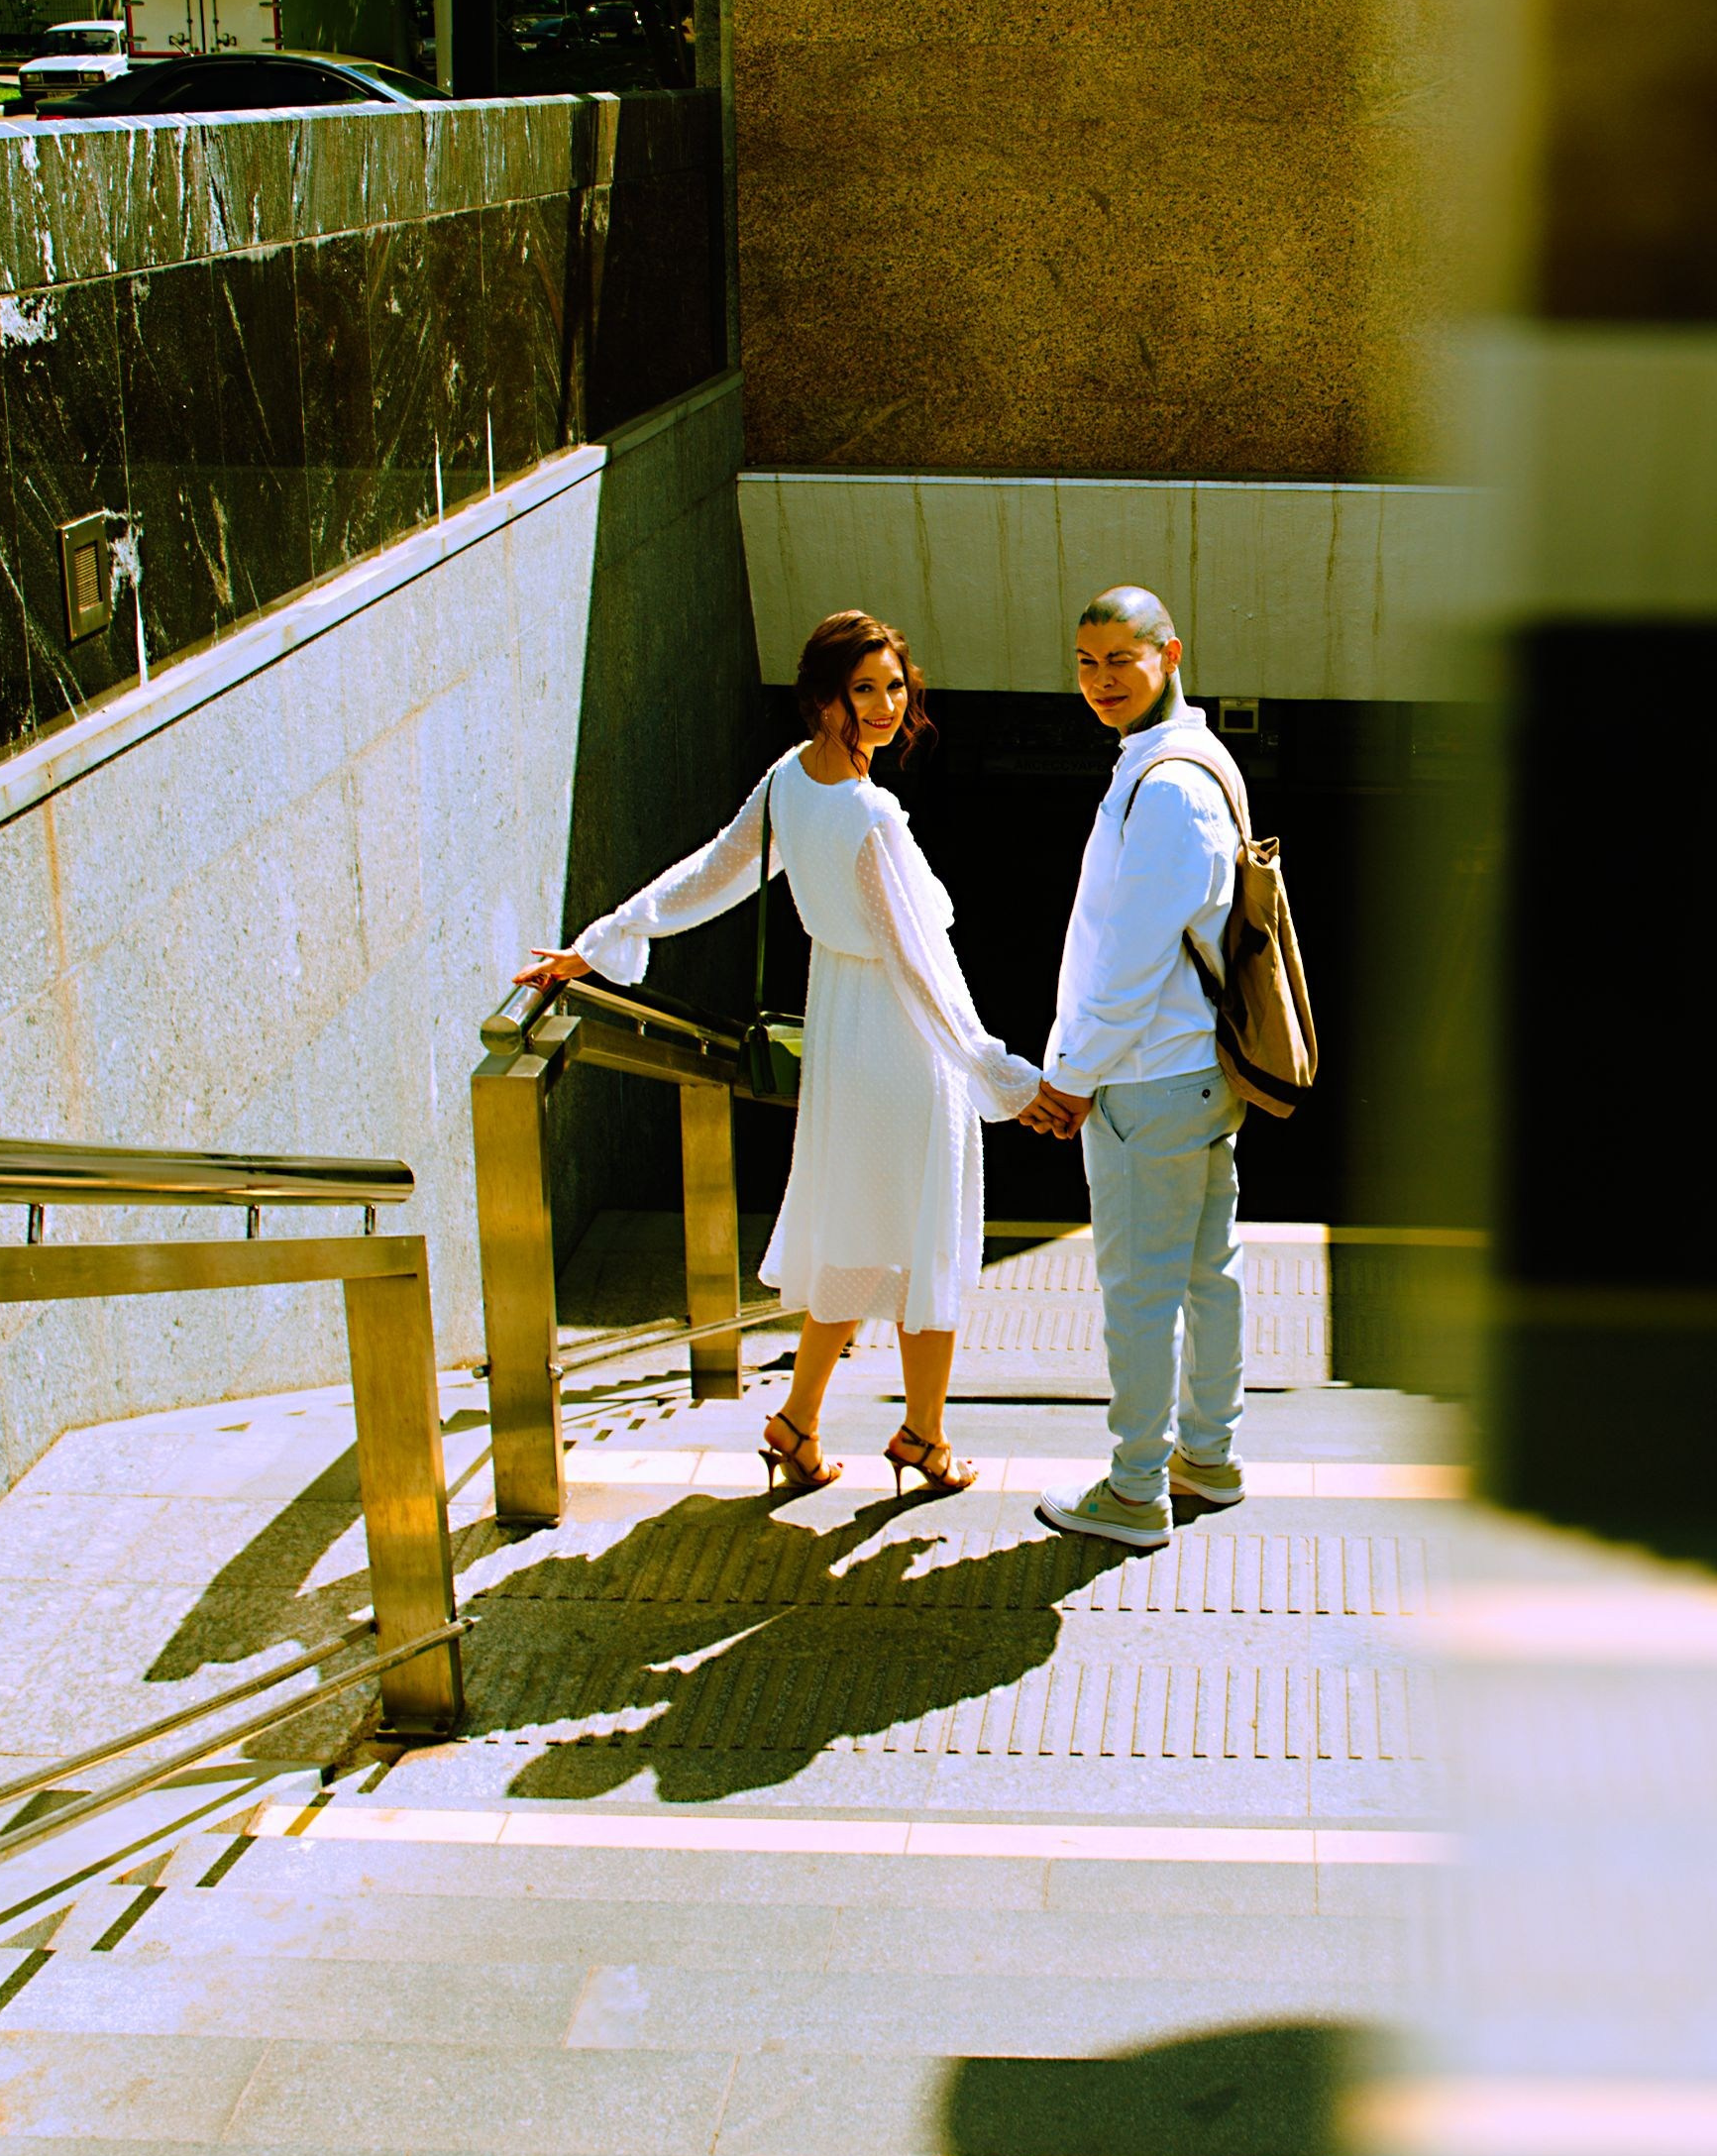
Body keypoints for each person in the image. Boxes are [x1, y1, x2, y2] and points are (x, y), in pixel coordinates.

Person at [514, 611, 1039, 1496]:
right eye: (863, 688)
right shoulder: (868, 812)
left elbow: (712, 873)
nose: (883, 705)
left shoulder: (791, 780)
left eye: (894, 686)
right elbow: (920, 965)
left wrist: (601, 941)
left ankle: (798, 1420)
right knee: (924, 1240)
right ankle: (923, 1437)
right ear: (825, 695)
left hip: (842, 1032)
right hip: (902, 1044)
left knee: (859, 1233)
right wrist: (1001, 1075)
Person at [1018, 587, 1249, 1554]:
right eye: (1084, 662)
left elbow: (1128, 963)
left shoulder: (1165, 789)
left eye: (1121, 659)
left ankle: (1134, 1489)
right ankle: (1209, 1456)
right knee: (1206, 1273)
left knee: (1141, 1293)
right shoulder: (1193, 762)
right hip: (1198, 1071)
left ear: (1169, 652)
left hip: (1149, 1081)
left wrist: (1068, 1078)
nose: (1101, 681)